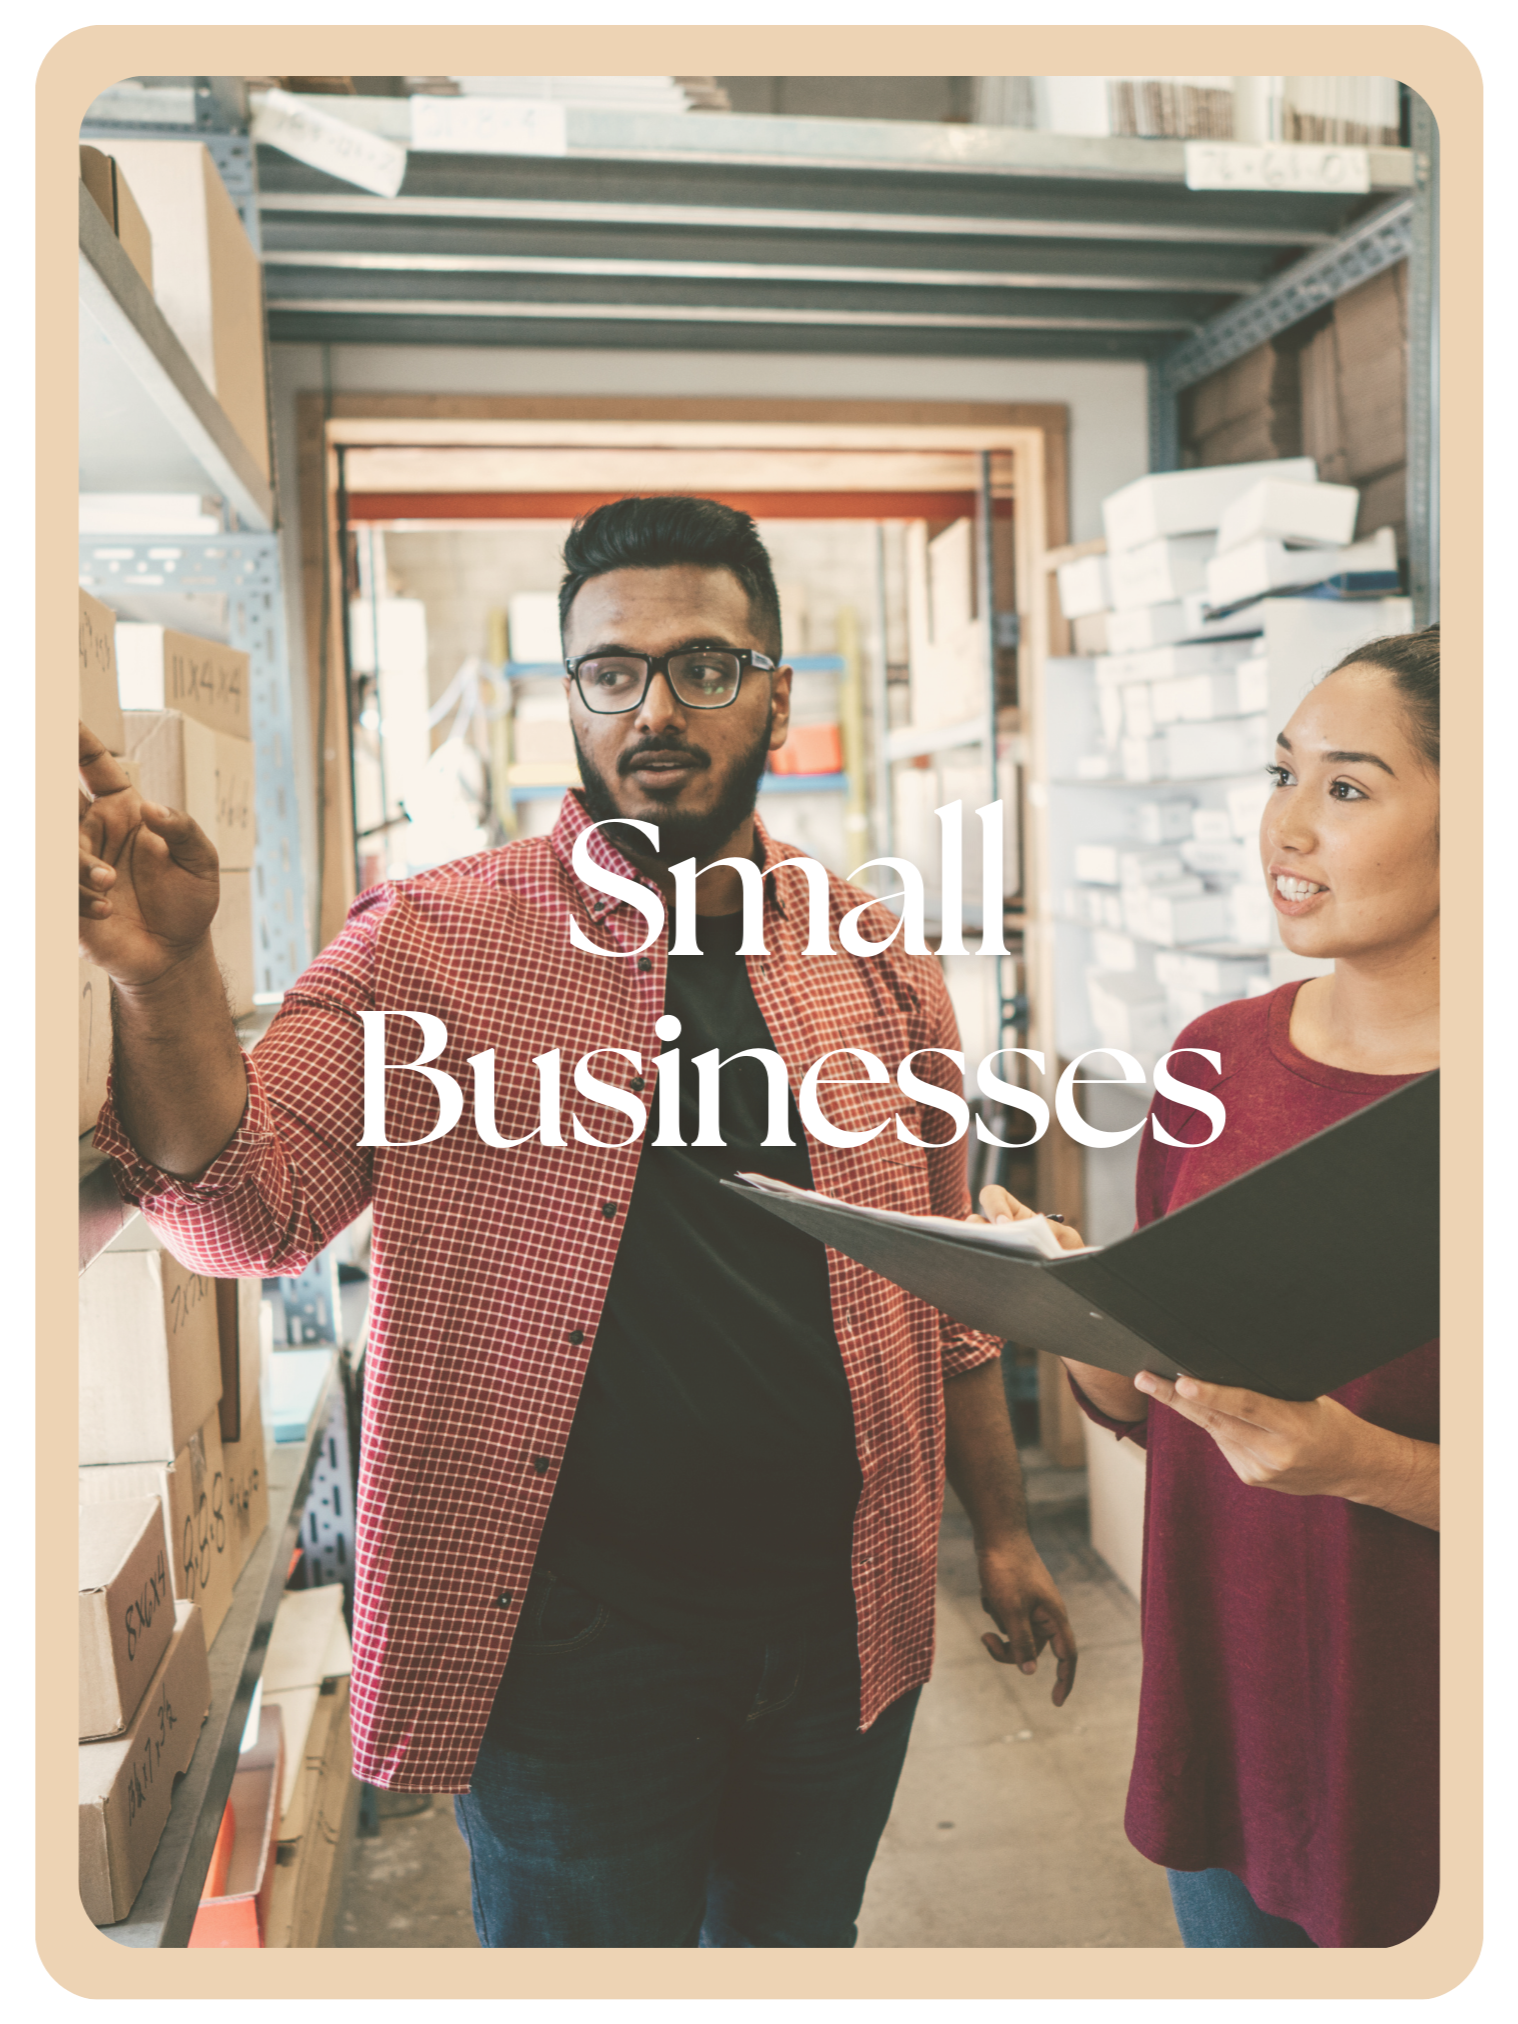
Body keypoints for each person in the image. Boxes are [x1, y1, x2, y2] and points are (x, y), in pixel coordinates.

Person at [78, 495, 1078, 1949]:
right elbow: (248, 1219)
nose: (653, 709)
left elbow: (946, 1301)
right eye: (609, 672)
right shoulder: (425, 942)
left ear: (776, 698)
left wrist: (999, 1533)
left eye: (703, 667)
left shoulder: (878, 965)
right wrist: (165, 981)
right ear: (571, 698)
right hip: (569, 1656)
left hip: (839, 1624)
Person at [977, 626, 1440, 1949]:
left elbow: (1329, 1452)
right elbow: (1151, 1400)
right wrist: (1057, 1303)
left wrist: (1359, 1463)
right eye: (1278, 775)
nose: (1284, 828)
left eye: (1345, 789)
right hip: (1230, 1737)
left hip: (1423, 1760)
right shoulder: (1214, 1060)